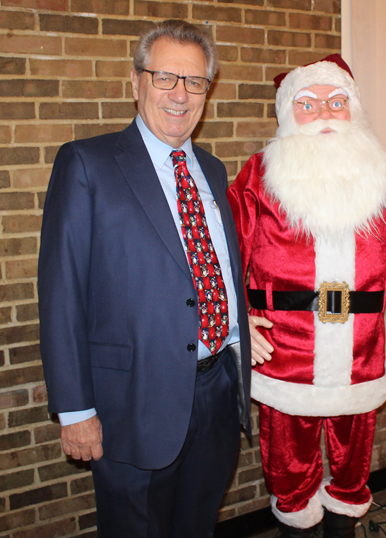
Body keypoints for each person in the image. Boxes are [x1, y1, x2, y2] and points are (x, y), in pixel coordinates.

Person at [38, 19, 251, 538]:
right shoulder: (87, 164)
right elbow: (61, 293)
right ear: (135, 82)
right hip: (130, 406)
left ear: (208, 90)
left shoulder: (214, 170)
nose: (180, 94)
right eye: (165, 77)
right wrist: (75, 410)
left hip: (217, 393)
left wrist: (241, 343)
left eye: (195, 81)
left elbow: (220, 273)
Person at [227, 55, 386, 538]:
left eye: (337, 101)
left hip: (360, 351)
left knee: (352, 473)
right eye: (308, 104)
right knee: (290, 472)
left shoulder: (377, 169)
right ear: (289, 112)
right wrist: (236, 318)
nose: (325, 113)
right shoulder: (261, 172)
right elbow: (228, 247)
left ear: (353, 107)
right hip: (286, 351)